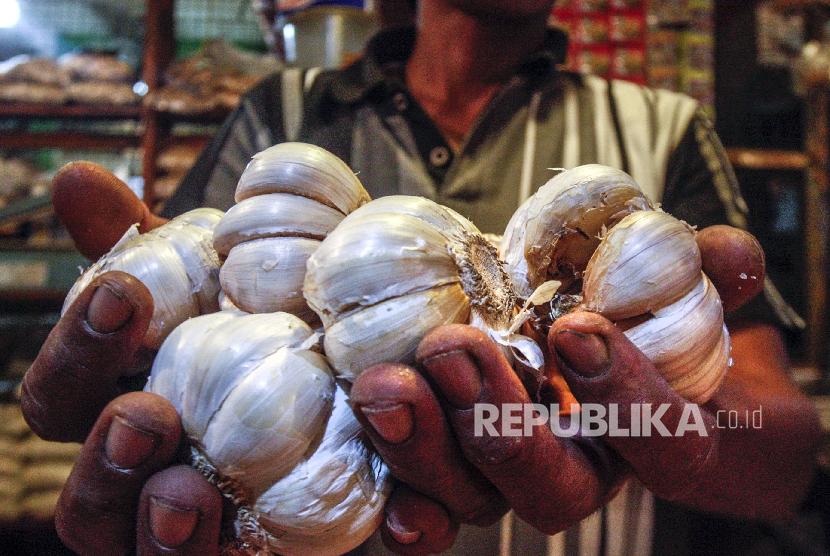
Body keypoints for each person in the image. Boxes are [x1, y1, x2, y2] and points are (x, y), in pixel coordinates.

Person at [22, 1, 822, 554]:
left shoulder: (666, 125)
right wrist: (143, 340)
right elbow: (207, 300)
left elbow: (781, 449)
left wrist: (677, 438)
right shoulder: (279, 111)